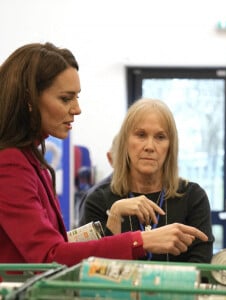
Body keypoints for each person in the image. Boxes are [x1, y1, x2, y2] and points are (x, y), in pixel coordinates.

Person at [0, 42, 209, 266]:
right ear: (29, 100)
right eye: (65, 98)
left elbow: (57, 246)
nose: (77, 108)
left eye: (160, 137)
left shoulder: (31, 160)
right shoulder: (11, 163)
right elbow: (49, 256)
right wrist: (140, 239)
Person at [80, 98, 214, 263]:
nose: (150, 146)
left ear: (170, 147)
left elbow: (201, 270)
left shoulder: (193, 197)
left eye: (160, 137)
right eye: (141, 135)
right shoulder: (98, 200)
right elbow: (90, 270)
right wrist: (114, 216)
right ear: (125, 143)